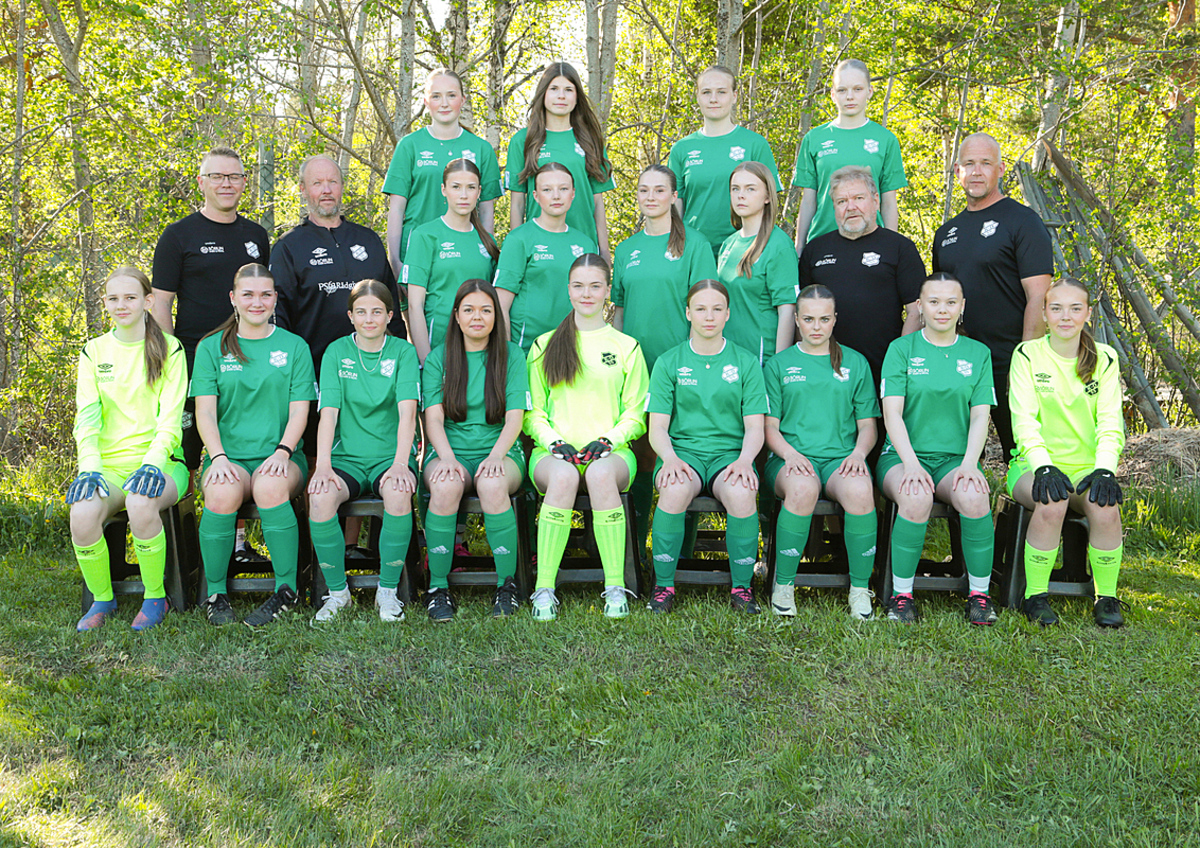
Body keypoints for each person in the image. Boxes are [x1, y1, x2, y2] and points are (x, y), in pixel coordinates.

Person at [151, 146, 270, 565]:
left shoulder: (256, 236)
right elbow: (161, 304)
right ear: (201, 182)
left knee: (235, 449)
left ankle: (236, 546)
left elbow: (262, 300)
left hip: (246, 363)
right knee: (186, 454)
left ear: (244, 183)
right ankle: (181, 551)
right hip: (192, 362)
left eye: (234, 177)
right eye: (217, 176)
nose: (226, 184)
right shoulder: (178, 236)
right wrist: (171, 361)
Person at [525, 254, 649, 621]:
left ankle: (616, 587)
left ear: (608, 291)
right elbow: (533, 414)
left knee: (600, 473)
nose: (587, 294)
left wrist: (609, 440)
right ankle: (544, 589)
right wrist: (553, 443)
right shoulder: (544, 345)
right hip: (552, 455)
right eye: (579, 286)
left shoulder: (627, 347)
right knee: (564, 476)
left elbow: (636, 415)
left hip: (614, 454)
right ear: (568, 290)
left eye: (595, 286)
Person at [191, 264, 316, 627]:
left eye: (265, 294)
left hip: (281, 455)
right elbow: (205, 412)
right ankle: (216, 594)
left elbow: (300, 412)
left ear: (275, 298)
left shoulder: (294, 346)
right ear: (234, 298)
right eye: (248, 294)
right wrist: (217, 457)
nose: (256, 302)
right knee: (220, 494)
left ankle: (286, 590)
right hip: (227, 457)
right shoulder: (212, 347)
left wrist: (283, 451)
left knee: (270, 487)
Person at [69, 267, 189, 632]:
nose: (121, 305)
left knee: (140, 501)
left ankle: (156, 597)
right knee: (81, 513)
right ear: (105, 303)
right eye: (114, 298)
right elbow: (87, 419)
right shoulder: (94, 351)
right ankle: (103, 599)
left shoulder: (170, 349)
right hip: (109, 468)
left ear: (148, 301)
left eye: (130, 297)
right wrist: (89, 467)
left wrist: (152, 463)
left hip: (163, 464)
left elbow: (171, 421)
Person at [876, 273, 998, 626]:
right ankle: (902, 597)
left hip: (954, 460)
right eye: (933, 302)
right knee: (915, 497)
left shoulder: (978, 353)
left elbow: (980, 416)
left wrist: (970, 464)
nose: (942, 309)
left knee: (975, 497)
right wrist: (912, 465)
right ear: (920, 306)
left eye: (950, 302)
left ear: (962, 307)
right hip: (901, 457)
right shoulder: (901, 349)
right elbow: (892, 414)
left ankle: (979, 595)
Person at [612, 164, 718, 560]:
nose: (651, 197)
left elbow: (706, 309)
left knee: (682, 460)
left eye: (660, 190)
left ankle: (680, 557)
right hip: (637, 370)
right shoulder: (627, 250)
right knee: (640, 461)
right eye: (644, 190)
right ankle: (636, 554)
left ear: (675, 196)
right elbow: (620, 312)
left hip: (683, 370)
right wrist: (617, 364)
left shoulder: (695, 245)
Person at [1008, 278, 1127, 628]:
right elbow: (1024, 420)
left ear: (1087, 313)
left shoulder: (1105, 358)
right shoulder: (1027, 354)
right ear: (1044, 313)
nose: (1065, 316)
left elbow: (1110, 423)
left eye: (1075, 308)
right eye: (1056, 308)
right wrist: (1043, 466)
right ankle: (1035, 596)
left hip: (1086, 468)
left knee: (1107, 509)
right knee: (1052, 501)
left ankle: (1107, 597)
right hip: (1032, 466)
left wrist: (1105, 470)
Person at [645, 280, 767, 615]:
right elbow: (657, 428)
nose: (708, 316)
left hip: (730, 455)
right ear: (688, 313)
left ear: (728, 314)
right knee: (673, 490)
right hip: (683, 453)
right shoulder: (669, 362)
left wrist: (745, 460)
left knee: (742, 493)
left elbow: (755, 427)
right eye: (700, 309)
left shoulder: (745, 362)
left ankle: (742, 588)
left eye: (716, 309)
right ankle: (663, 586)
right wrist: (669, 458)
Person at [932, 132, 1054, 459]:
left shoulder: (1023, 221)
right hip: (959, 364)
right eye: (969, 164)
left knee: (1025, 454)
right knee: (955, 459)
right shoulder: (946, 234)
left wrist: (1025, 364)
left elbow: (1039, 297)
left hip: (1008, 360)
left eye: (985, 163)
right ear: (957, 170)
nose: (976, 171)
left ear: (1000, 170)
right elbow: (940, 303)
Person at [307, 280, 420, 624]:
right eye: (361, 312)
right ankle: (337, 594)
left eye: (376, 312)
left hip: (390, 456)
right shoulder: (336, 352)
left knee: (398, 492)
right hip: (348, 459)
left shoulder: (403, 352)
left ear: (389, 316)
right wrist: (323, 465)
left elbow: (408, 413)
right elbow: (328, 414)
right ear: (350, 316)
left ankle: (387, 592)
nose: (369, 319)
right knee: (320, 498)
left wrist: (401, 463)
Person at [764, 286, 880, 619]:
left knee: (861, 491)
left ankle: (860, 590)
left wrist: (858, 454)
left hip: (840, 459)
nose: (816, 327)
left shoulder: (855, 362)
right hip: (789, 457)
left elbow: (868, 427)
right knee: (802, 489)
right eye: (809, 319)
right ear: (797, 319)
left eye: (824, 319)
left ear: (835, 320)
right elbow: (769, 428)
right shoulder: (779, 364)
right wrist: (789, 454)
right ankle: (783, 585)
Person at [421, 280, 530, 621]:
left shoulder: (512, 355)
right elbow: (433, 419)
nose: (477, 317)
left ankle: (506, 586)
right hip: (449, 449)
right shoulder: (439, 358)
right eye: (469, 310)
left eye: (486, 310)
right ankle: (438, 588)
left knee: (493, 484)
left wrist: (496, 456)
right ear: (456, 316)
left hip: (500, 448)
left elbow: (515, 418)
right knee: (445, 485)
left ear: (497, 316)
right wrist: (446, 458)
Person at [269, 154, 405, 382]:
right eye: (317, 183)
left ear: (342, 186)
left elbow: (392, 311)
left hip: (374, 375)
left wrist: (398, 364)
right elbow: (278, 318)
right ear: (303, 189)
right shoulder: (289, 247)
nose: (326, 190)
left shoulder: (369, 240)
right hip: (313, 375)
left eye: (333, 182)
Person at [798, 166, 924, 387]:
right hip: (825, 374)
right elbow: (799, 315)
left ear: (875, 200)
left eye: (858, 198)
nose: (851, 207)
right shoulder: (815, 251)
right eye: (842, 201)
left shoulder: (899, 248)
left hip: (884, 371)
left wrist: (898, 364)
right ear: (834, 207)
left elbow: (917, 311)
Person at [383, 68, 502, 275]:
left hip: (467, 256)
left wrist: (487, 257)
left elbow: (486, 212)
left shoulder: (481, 149)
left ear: (463, 100)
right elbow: (396, 209)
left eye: (451, 95)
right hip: (417, 255)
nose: (444, 103)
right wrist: (395, 261)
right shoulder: (409, 145)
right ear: (426, 101)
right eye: (436, 96)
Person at [666, 65, 782, 259]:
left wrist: (760, 247)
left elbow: (771, 203)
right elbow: (675, 205)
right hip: (695, 251)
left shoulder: (755, 144)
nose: (713, 99)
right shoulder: (682, 149)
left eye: (721, 92)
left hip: (745, 251)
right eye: (706, 92)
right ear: (697, 96)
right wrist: (676, 248)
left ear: (734, 96)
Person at [792, 59, 907, 251]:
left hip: (872, 244)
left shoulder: (886, 139)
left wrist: (891, 247)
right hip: (822, 242)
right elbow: (808, 201)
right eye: (842, 90)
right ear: (833, 95)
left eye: (857, 89)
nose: (850, 96)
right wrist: (799, 248)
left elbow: (888, 202)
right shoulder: (814, 138)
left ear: (869, 91)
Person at [506, 62, 614, 258]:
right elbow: (517, 203)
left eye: (568, 90)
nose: (561, 96)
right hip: (538, 250)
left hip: (583, 246)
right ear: (543, 94)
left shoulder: (590, 139)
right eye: (554, 89)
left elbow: (597, 202)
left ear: (577, 97)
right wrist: (516, 249)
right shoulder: (523, 140)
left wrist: (604, 251)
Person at [403, 158, 501, 364]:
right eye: (456, 187)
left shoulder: (487, 241)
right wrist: (427, 362)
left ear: (479, 192)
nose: (464, 195)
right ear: (444, 190)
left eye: (470, 187)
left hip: (479, 350)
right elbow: (414, 305)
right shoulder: (425, 235)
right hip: (438, 346)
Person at [494, 163, 598, 351]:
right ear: (535, 196)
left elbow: (592, 305)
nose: (556, 196)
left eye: (563, 189)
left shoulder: (585, 244)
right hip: (527, 350)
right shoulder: (519, 239)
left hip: (572, 350)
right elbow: (501, 304)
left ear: (573, 193)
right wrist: (508, 356)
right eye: (547, 189)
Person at [717, 161, 799, 365]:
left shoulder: (779, 245)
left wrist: (778, 367)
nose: (740, 195)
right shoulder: (729, 244)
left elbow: (787, 311)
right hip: (727, 359)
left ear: (767, 196)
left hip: (760, 361)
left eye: (750, 189)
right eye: (735, 189)